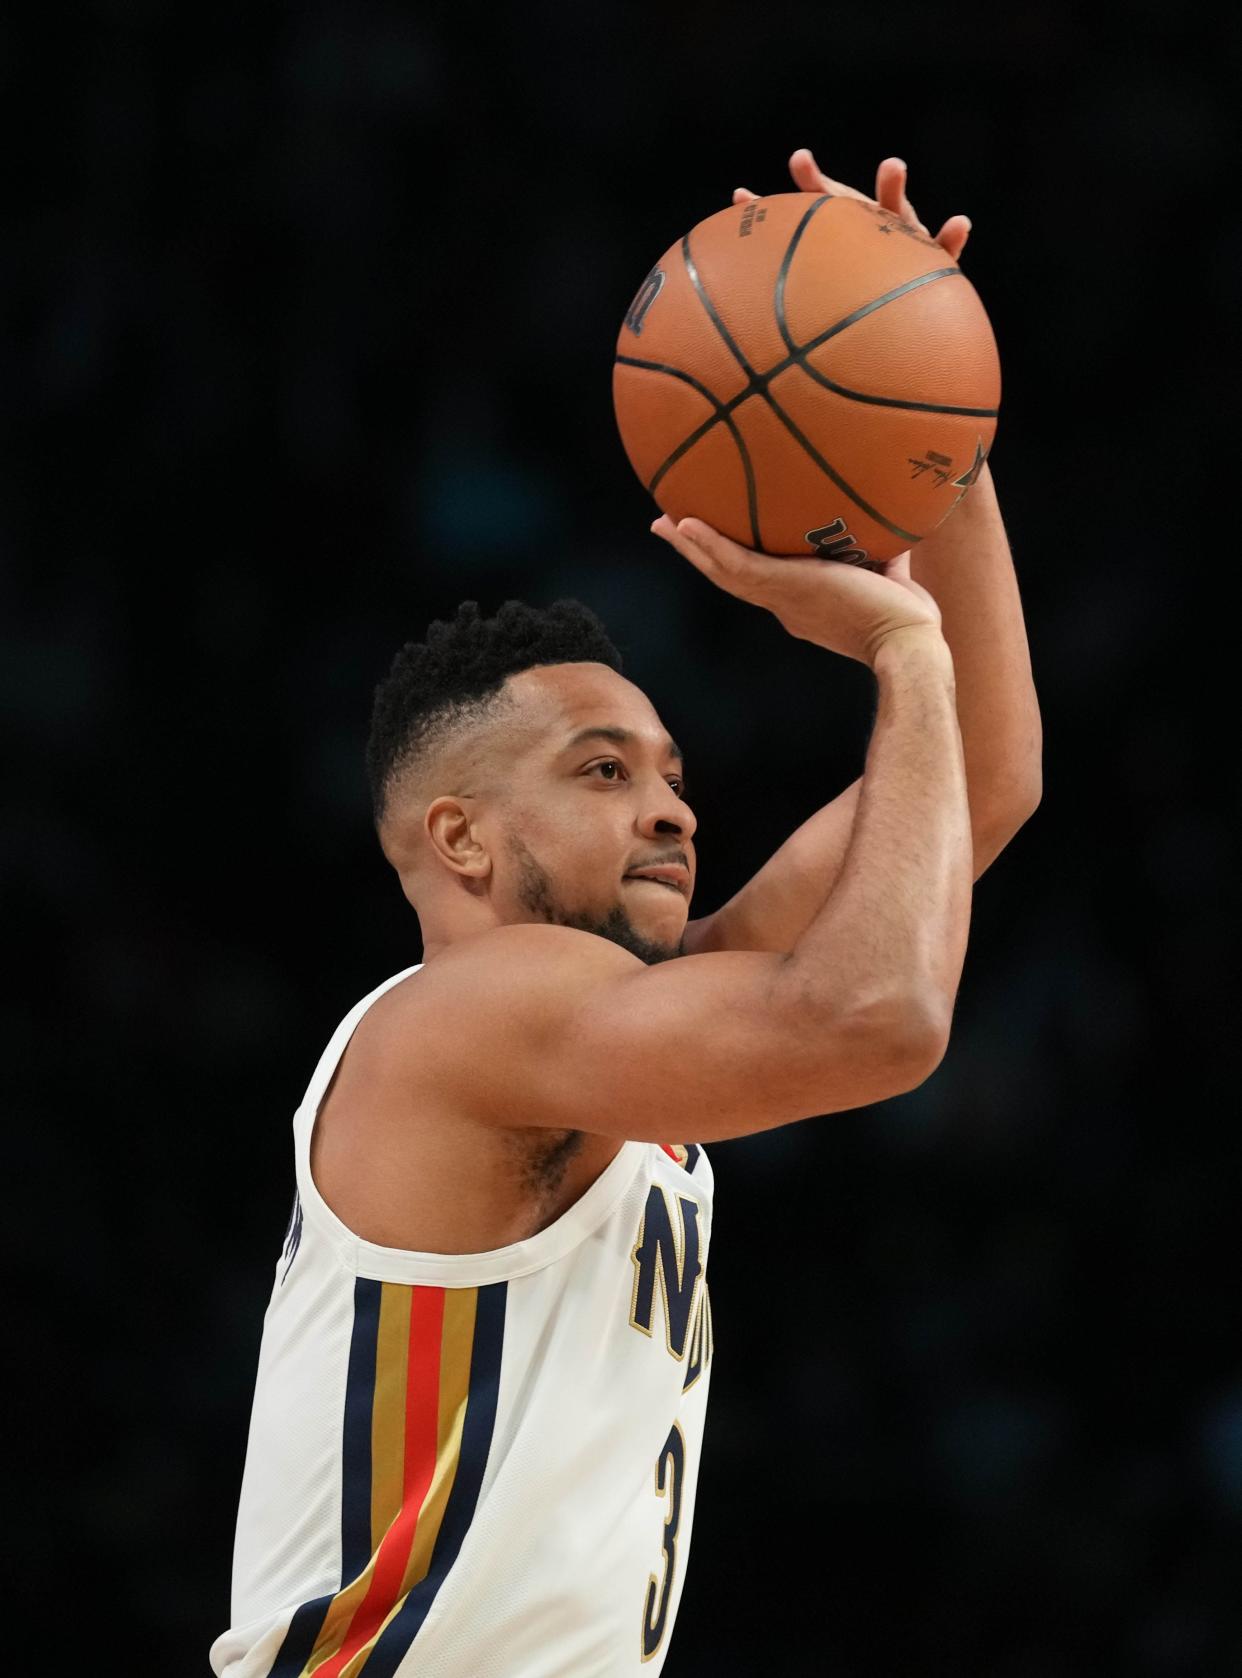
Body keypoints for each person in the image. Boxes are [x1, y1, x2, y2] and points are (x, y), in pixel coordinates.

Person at [210, 149, 1040, 1678]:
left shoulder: (614, 1038)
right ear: (453, 837)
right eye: (603, 771)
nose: (670, 806)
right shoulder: (462, 1019)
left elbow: (972, 790)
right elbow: (877, 1013)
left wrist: (937, 426)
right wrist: (901, 659)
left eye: (669, 768)